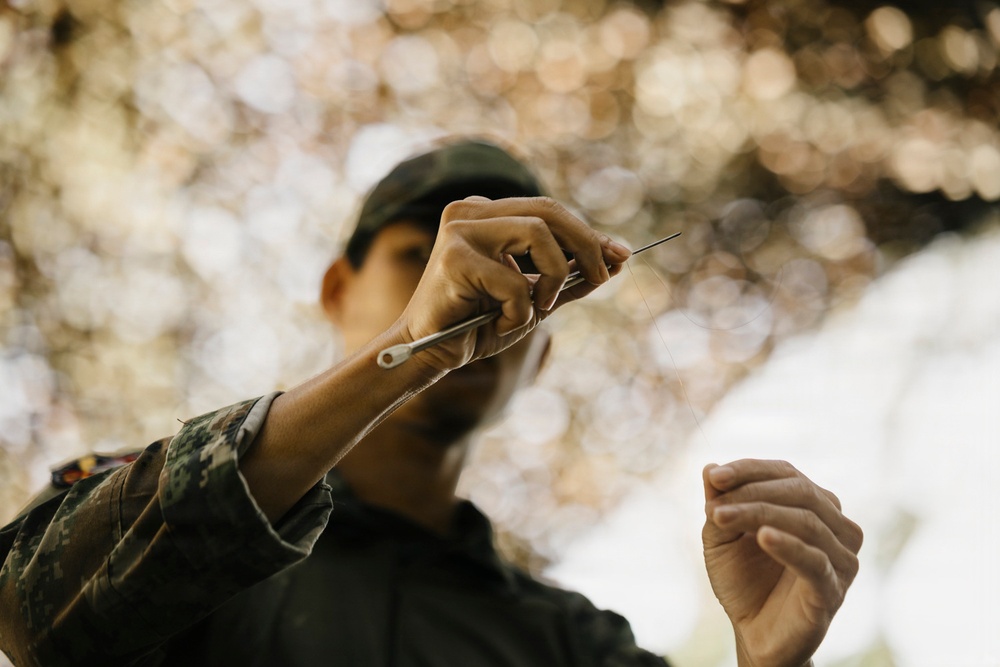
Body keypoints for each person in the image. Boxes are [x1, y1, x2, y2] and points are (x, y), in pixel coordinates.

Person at [0, 139, 863, 667]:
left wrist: (766, 664)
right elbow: (30, 617)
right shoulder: (154, 516)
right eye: (424, 255)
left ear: (543, 356)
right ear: (339, 291)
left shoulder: (566, 644)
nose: (489, 295)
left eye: (533, 278)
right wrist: (407, 350)